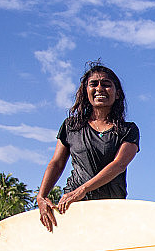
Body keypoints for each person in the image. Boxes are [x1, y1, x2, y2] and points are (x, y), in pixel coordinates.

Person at [36, 60, 139, 232]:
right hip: (74, 206)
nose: (99, 88)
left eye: (106, 84)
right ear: (86, 91)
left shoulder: (128, 130)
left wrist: (83, 189)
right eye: (93, 84)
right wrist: (41, 196)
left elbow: (119, 164)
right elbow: (56, 163)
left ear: (118, 93)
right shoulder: (71, 126)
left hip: (111, 206)